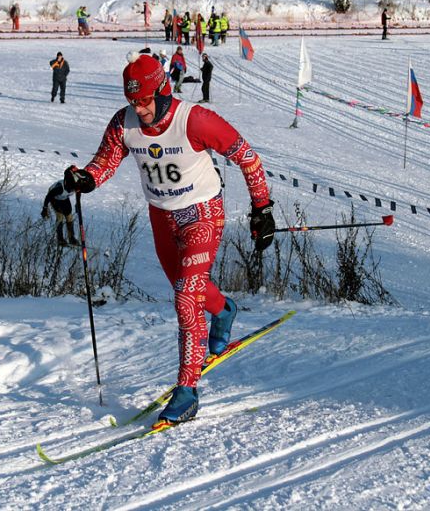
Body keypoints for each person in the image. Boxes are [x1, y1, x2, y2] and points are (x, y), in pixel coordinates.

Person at [61, 52, 275, 427]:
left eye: (145, 100)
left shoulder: (194, 119)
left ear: (162, 90)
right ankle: (224, 310)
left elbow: (247, 157)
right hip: (161, 217)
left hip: (202, 213)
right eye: (133, 101)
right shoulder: (124, 123)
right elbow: (105, 162)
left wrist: (262, 209)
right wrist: (86, 179)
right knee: (186, 285)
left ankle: (187, 390)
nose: (139, 109)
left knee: (186, 296)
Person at [41, 180, 78, 246]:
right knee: (60, 216)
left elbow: (78, 194)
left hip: (64, 197)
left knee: (69, 216)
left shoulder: (77, 186)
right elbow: (48, 196)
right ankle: (60, 239)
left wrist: (77, 204)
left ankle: (71, 238)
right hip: (54, 197)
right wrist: (45, 208)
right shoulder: (59, 189)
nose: (74, 191)